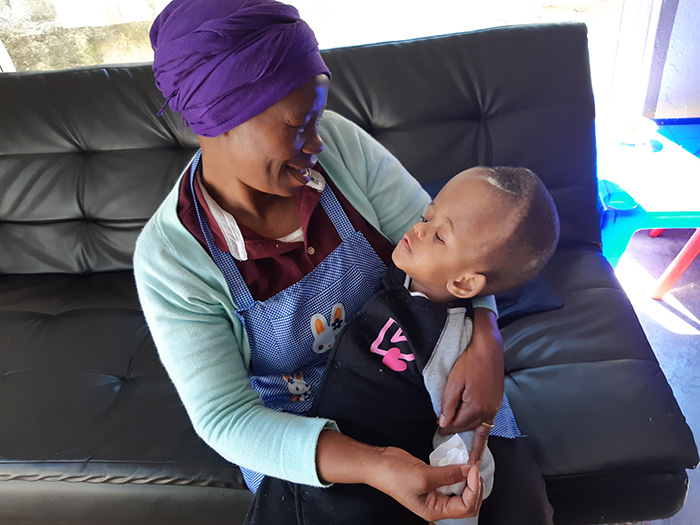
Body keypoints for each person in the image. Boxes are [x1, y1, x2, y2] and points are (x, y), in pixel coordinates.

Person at [134, 0, 554, 522]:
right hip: (305, 433)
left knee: (510, 503)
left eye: (318, 115)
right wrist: (374, 465)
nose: (318, 142)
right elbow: (225, 418)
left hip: (421, 374)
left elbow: (456, 248)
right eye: (298, 126)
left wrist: (487, 336)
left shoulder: (342, 153)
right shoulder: (172, 258)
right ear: (219, 120)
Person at [243, 166, 560, 525]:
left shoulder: (447, 344)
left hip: (381, 470)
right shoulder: (411, 271)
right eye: (427, 215)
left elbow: (462, 450)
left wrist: (454, 514)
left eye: (438, 236)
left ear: (464, 282)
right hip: (313, 437)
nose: (418, 227)